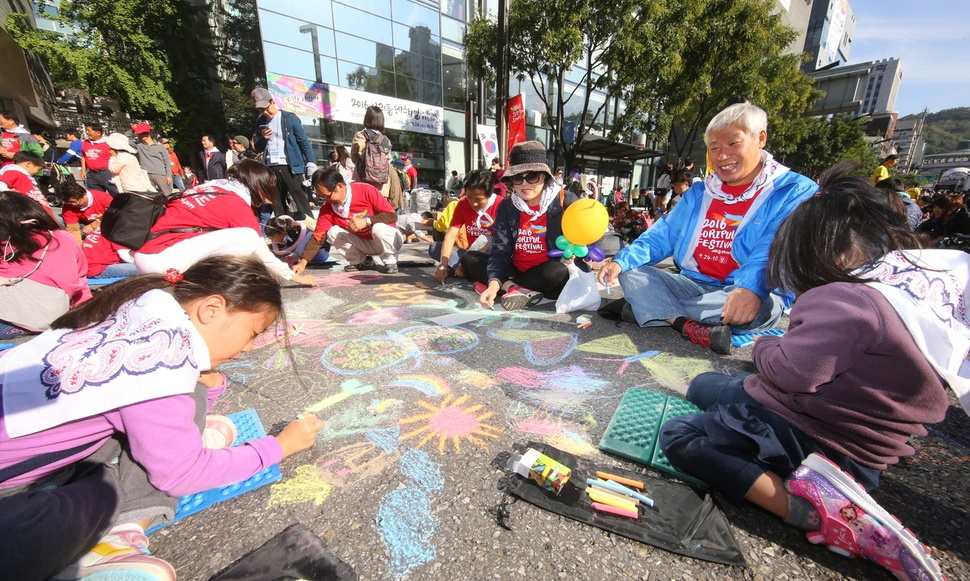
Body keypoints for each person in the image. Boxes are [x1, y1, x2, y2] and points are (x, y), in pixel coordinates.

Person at [659, 166, 957, 581]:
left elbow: (790, 373)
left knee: (682, 433)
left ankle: (807, 510)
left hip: (811, 433)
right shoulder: (920, 294)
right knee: (711, 386)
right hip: (867, 455)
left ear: (826, 253)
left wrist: (764, 346)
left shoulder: (844, 299)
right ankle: (839, 492)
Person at [0, 255, 325, 580]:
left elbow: (164, 399)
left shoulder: (146, 307)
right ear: (211, 309)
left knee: (170, 409)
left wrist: (205, 391)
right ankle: (114, 540)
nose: (249, 347)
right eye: (253, 332)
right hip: (14, 490)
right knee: (103, 491)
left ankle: (185, 441)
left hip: (26, 450)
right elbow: (181, 474)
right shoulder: (164, 359)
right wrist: (278, 447)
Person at [598, 102, 816, 354]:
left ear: (761, 138)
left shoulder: (794, 190)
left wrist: (751, 288)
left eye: (733, 144)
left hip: (747, 290)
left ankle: (647, 309)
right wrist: (620, 262)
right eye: (714, 148)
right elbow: (662, 235)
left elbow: (773, 248)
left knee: (756, 308)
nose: (722, 156)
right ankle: (681, 323)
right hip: (692, 285)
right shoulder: (701, 192)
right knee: (631, 273)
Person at [132, 159, 311, 284]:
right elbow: (259, 249)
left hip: (147, 253)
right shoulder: (235, 203)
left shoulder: (209, 188)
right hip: (163, 260)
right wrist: (291, 276)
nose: (267, 198)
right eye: (267, 191)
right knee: (248, 236)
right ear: (258, 186)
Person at [477, 141, 581, 310]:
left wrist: (577, 255)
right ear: (512, 181)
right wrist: (494, 283)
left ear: (545, 177)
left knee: (558, 271)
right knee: (471, 259)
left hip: (547, 272)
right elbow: (500, 251)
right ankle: (512, 288)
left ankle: (511, 287)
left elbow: (586, 239)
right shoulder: (507, 206)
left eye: (532, 176)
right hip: (515, 270)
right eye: (518, 178)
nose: (525, 184)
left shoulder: (565, 201)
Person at [0, 193, 90, 337]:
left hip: (10, 318)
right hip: (57, 314)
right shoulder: (63, 238)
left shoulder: (6, 246)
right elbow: (80, 280)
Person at [293, 167, 402, 275]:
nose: (327, 201)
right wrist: (303, 262)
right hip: (366, 244)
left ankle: (390, 261)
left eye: (327, 196)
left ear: (340, 186)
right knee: (333, 232)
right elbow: (318, 237)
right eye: (322, 198)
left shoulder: (365, 190)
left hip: (388, 240)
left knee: (379, 228)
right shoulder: (327, 209)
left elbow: (392, 216)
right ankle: (360, 261)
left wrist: (368, 221)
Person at [251, 88, 315, 221]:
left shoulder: (289, 118)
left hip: (290, 165)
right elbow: (257, 148)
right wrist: (262, 137)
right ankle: (284, 235)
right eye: (260, 110)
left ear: (272, 101)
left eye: (265, 108)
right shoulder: (260, 122)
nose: (264, 112)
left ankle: (312, 232)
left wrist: (311, 162)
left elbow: (303, 141)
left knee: (300, 199)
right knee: (277, 203)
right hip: (271, 166)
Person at [434, 170, 502, 283]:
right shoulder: (462, 204)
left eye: (478, 200)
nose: (473, 203)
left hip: (492, 256)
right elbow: (451, 234)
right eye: (469, 197)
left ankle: (465, 268)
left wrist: (464, 263)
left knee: (485, 240)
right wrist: (443, 265)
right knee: (435, 248)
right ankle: (463, 268)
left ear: (489, 194)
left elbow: (501, 243)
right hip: (469, 253)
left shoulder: (502, 205)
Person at [351, 106, 393, 199]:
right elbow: (388, 159)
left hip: (363, 179)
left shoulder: (361, 135)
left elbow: (354, 156)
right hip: (381, 182)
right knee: (379, 210)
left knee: (363, 208)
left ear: (367, 118)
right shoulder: (386, 139)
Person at [56, 178, 113, 242]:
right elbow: (73, 230)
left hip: (106, 222)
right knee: (60, 221)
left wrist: (94, 225)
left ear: (84, 195)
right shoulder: (68, 207)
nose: (74, 205)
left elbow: (116, 216)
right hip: (84, 224)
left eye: (74, 201)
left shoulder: (103, 198)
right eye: (69, 203)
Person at [264, 215, 330, 267]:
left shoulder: (295, 233)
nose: (272, 240)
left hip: (320, 252)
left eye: (272, 238)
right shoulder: (286, 236)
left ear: (280, 233)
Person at [132, 122, 173, 195]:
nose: (139, 135)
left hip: (161, 175)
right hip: (146, 175)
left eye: (142, 133)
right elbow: (126, 139)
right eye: (139, 134)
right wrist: (133, 128)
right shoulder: (139, 145)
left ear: (148, 133)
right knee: (152, 198)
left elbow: (167, 162)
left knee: (168, 195)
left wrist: (169, 176)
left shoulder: (160, 147)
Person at [81, 122, 119, 197]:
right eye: (87, 130)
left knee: (116, 194)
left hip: (107, 173)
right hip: (92, 174)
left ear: (98, 133)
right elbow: (83, 156)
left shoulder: (108, 143)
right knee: (96, 196)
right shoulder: (85, 143)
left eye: (89, 130)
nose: (87, 133)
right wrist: (83, 170)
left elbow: (116, 157)